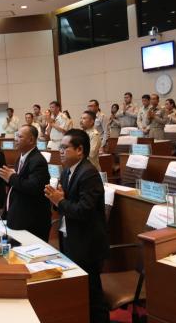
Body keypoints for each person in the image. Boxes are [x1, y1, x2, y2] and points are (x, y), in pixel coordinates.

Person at [44, 129, 109, 323]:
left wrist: (60, 201)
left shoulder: (88, 173)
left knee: (92, 294)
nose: (60, 151)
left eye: (65, 147)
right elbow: (64, 203)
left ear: (80, 150)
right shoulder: (67, 171)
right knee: (78, 290)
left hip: (87, 243)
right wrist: (56, 199)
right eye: (60, 147)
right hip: (71, 238)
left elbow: (83, 211)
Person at [0, 125, 51, 241]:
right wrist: (7, 178)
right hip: (18, 213)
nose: (15, 139)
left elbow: (33, 187)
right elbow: (18, 183)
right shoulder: (21, 157)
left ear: (31, 140)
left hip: (31, 219)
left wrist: (11, 177)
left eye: (20, 137)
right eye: (16, 136)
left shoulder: (38, 161)